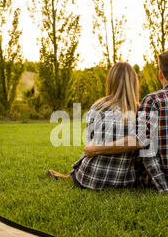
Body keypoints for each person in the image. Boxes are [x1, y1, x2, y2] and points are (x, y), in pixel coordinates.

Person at [85, 51, 168, 195]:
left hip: (154, 178)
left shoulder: (152, 100)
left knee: (151, 142)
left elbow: (144, 147)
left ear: (160, 74)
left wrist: (166, 190)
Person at [47, 62, 141, 190]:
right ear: (134, 83)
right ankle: (71, 175)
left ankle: (71, 175)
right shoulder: (141, 110)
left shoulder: (98, 106)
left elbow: (90, 144)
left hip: (91, 178)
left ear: (111, 82)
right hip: (124, 181)